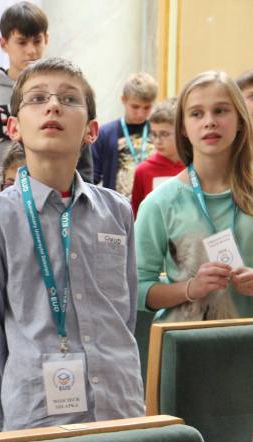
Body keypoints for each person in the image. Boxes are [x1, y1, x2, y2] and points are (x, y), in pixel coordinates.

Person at [0, 57, 144, 431]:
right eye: (37, 98)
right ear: (14, 127)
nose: (53, 106)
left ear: (91, 131)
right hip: (38, 415)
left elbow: (124, 317)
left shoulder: (117, 212)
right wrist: (15, 419)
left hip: (120, 406)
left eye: (69, 99)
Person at [136, 71, 253, 322]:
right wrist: (190, 289)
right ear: (183, 128)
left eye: (220, 111)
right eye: (196, 114)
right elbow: (136, 289)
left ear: (240, 120)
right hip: (186, 342)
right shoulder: (159, 203)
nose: (209, 122)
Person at [0, 2, 92, 212]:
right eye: (21, 42)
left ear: (46, 39)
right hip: (1, 213)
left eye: (37, 41)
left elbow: (82, 162)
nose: (31, 51)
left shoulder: (66, 98)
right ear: (3, 43)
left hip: (60, 210)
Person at [92, 72, 158, 196]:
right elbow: (91, 178)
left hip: (152, 202)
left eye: (147, 108)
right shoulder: (105, 134)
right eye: (135, 107)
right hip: (117, 205)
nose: (140, 113)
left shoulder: (158, 133)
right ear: (123, 100)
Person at [131, 98, 184, 216]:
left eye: (164, 134)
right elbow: (137, 214)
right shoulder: (143, 170)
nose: (157, 141)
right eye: (154, 134)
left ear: (181, 132)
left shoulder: (196, 166)